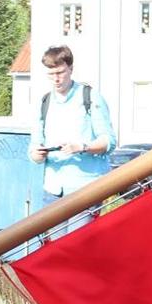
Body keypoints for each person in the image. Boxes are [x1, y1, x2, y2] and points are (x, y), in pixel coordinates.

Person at [27, 45, 114, 207]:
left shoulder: (91, 97)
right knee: (57, 234)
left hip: (86, 189)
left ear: (71, 69)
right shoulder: (44, 102)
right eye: (51, 74)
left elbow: (109, 142)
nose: (56, 79)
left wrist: (82, 147)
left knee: (81, 234)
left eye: (60, 73)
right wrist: (36, 155)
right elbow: (34, 147)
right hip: (53, 191)